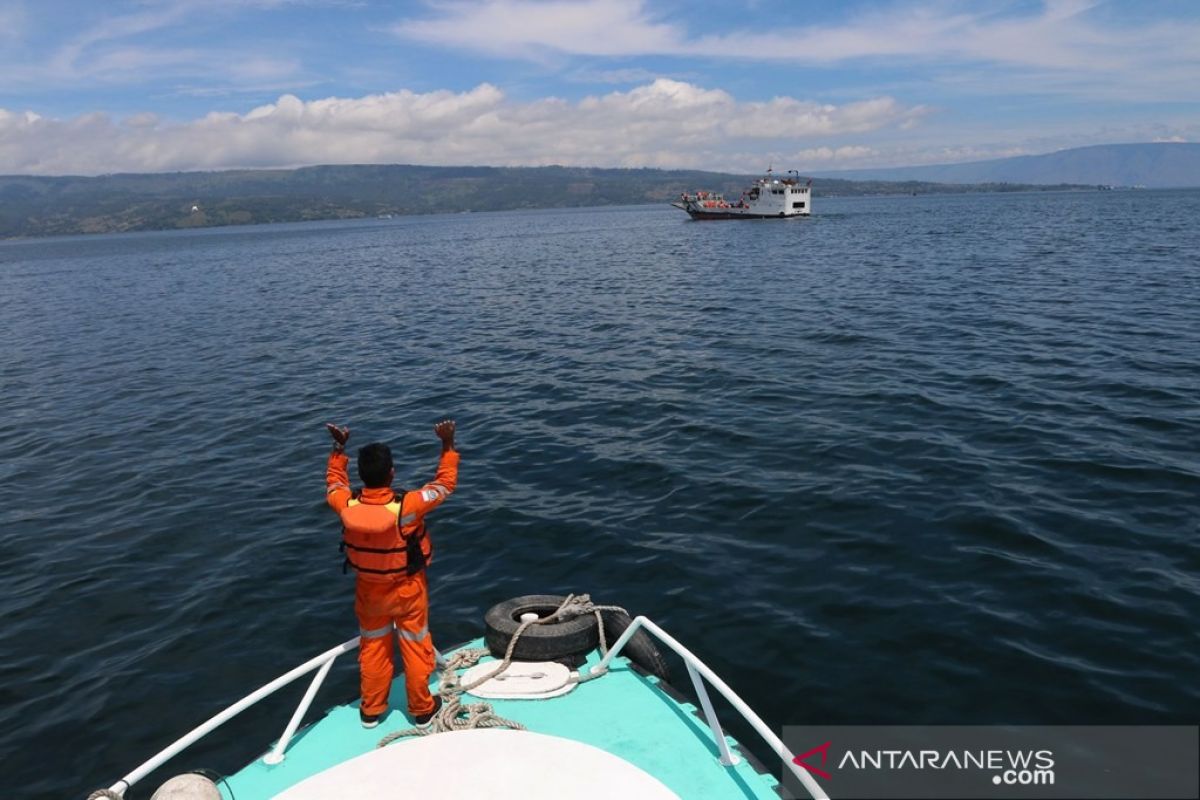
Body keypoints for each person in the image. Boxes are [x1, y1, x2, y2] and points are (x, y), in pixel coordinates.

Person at [324, 419, 459, 728]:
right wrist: (447, 445)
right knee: (415, 645)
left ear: (361, 474)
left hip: (369, 592)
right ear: (392, 473)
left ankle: (371, 711)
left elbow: (333, 482)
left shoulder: (345, 503)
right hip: (407, 590)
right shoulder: (407, 507)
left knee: (373, 647)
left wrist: (338, 449)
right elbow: (444, 485)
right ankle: (422, 709)